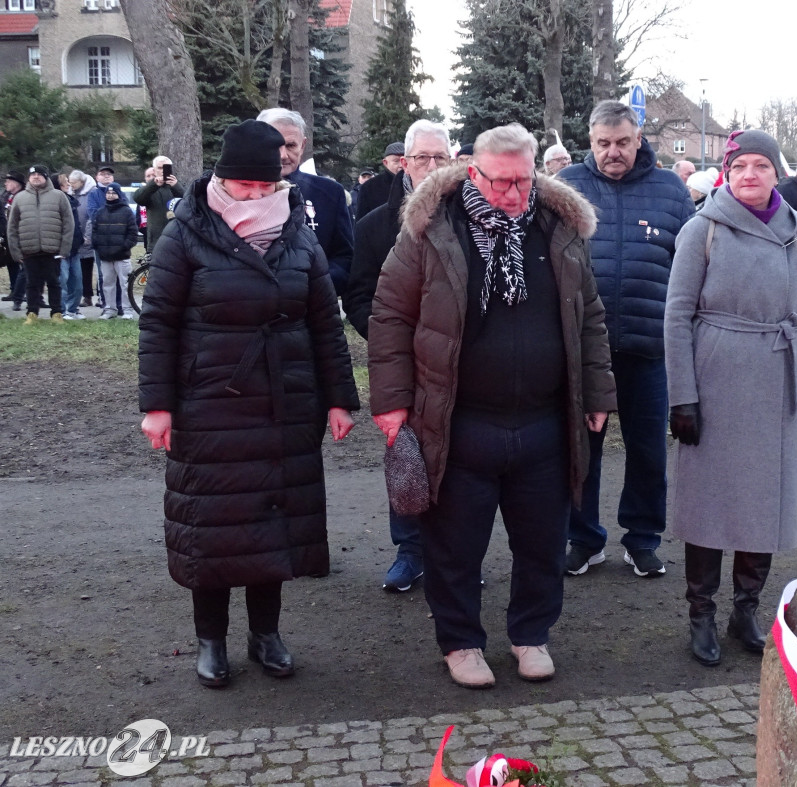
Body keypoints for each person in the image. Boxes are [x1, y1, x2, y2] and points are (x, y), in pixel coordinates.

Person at [367, 123, 616, 689]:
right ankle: (460, 642)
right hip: (457, 421)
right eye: (501, 182)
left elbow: (590, 316)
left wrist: (599, 393)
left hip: (544, 422)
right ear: (472, 171)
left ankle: (531, 635)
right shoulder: (432, 230)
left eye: (524, 181)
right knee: (454, 544)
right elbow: (390, 318)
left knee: (543, 541)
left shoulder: (559, 228)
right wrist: (392, 404)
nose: (513, 194)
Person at [138, 119, 359, 689]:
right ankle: (211, 640)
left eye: (266, 189)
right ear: (222, 179)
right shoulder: (185, 232)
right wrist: (157, 404)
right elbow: (158, 324)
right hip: (209, 400)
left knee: (273, 521)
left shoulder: (297, 231)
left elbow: (323, 322)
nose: (257, 197)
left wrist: (339, 398)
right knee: (213, 525)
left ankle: (267, 633)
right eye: (245, 188)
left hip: (286, 399)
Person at [663, 128, 797, 667]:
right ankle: (702, 614)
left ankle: (745, 609)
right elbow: (676, 316)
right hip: (715, 381)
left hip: (779, 379)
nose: (750, 175)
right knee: (710, 504)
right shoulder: (702, 230)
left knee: (765, 501)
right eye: (740, 167)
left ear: (776, 172)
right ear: (727, 174)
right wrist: (682, 397)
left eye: (761, 165)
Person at [559, 100, 695, 578]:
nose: (612, 152)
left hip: (649, 347)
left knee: (647, 450)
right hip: (583, 350)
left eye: (621, 142)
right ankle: (584, 537)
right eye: (603, 144)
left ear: (638, 140)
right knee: (581, 448)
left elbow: (688, 266)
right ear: (590, 142)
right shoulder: (568, 186)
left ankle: (642, 538)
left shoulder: (671, 190)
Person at [344, 118, 452, 593]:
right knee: (406, 456)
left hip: (458, 361)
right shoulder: (373, 226)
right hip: (402, 362)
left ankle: (455, 551)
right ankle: (409, 550)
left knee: (458, 457)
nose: (431, 166)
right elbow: (359, 295)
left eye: (440, 157)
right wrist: (392, 341)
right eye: (422, 157)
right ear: (403, 163)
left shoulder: (473, 216)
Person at [257, 108, 356, 299]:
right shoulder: (236, 192)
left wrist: (313, 286)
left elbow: (345, 258)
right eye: (275, 145)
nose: (283, 155)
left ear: (302, 146)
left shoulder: (330, 193)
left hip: (311, 309)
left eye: (290, 145)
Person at [7, 164, 74, 324]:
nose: (36, 177)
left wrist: (64, 248)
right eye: (32, 175)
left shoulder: (59, 196)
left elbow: (68, 224)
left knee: (54, 282)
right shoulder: (20, 197)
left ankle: (57, 313)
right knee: (32, 283)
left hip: (52, 249)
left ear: (45, 177)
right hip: (29, 249)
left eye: (39, 174)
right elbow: (12, 226)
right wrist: (16, 252)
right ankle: (32, 313)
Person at [91, 183, 138, 321]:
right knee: (107, 284)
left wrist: (125, 246)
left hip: (122, 256)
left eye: (113, 193)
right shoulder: (100, 212)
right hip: (105, 256)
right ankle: (110, 309)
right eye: (108, 193)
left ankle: (127, 310)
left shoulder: (126, 211)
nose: (110, 196)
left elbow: (132, 233)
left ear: (119, 194)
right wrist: (98, 247)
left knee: (125, 284)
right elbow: (95, 231)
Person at [132, 156, 185, 251]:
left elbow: (189, 203)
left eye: (166, 167)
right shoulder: (151, 188)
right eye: (160, 168)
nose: (163, 171)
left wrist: (176, 186)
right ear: (154, 170)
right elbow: (138, 198)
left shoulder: (178, 184)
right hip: (156, 241)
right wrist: (154, 184)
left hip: (179, 240)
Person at [54, 174, 86, 320]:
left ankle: (73, 309)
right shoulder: (57, 201)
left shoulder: (72, 200)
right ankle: (62, 310)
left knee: (77, 282)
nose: (69, 183)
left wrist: (80, 238)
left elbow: (75, 224)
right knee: (63, 282)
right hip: (61, 249)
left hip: (75, 248)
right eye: (66, 182)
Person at [67, 170, 98, 308]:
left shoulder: (91, 193)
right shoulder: (71, 193)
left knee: (86, 268)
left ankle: (88, 296)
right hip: (74, 237)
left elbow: (91, 216)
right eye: (70, 182)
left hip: (87, 237)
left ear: (82, 182)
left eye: (74, 183)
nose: (71, 185)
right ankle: (76, 295)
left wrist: (88, 236)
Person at [355, 141, 405, 222]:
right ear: (385, 163)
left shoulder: (416, 183)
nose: (401, 165)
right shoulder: (369, 187)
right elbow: (360, 222)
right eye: (396, 161)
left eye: (404, 160)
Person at [1, 170, 26, 309]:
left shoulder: (22, 197)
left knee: (24, 266)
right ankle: (14, 290)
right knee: (12, 263)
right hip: (9, 235)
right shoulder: (7, 196)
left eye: (9, 181)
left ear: (16, 183)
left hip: (21, 235)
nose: (6, 183)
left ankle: (21, 294)